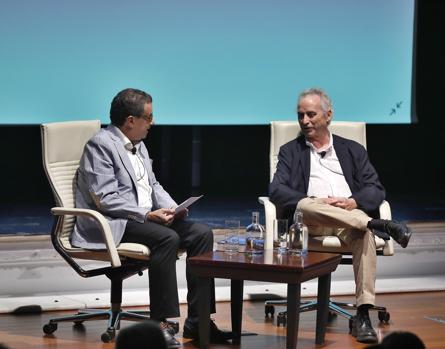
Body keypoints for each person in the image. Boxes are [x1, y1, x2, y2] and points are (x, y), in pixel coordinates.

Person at [72, 88, 231, 348]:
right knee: (166, 239)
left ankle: (199, 321)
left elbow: (153, 185)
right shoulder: (100, 145)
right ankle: (161, 323)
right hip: (115, 222)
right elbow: (105, 198)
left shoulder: (139, 144)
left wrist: (172, 208)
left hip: (144, 218)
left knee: (202, 233)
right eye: (149, 117)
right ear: (131, 121)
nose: (153, 122)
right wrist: (146, 214)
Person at [269, 88, 412, 344]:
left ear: (328, 115)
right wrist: (316, 202)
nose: (304, 121)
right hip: (312, 222)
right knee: (307, 205)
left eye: (311, 114)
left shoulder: (353, 150)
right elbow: (276, 190)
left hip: (349, 218)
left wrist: (353, 201)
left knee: (362, 233)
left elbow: (375, 188)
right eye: (300, 115)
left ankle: (364, 314)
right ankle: (377, 224)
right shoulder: (291, 151)